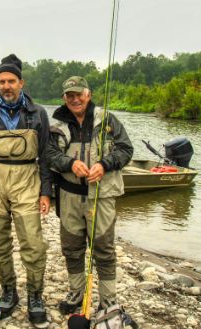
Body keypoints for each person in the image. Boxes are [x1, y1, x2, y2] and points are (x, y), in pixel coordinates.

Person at [0, 54, 60, 328]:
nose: (6, 86)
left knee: (32, 241)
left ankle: (35, 295)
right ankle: (9, 291)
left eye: (11, 81)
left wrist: (46, 191)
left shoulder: (38, 113)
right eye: (2, 81)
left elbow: (45, 154)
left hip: (26, 179)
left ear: (21, 82)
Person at [44, 76, 133, 313]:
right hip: (69, 197)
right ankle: (76, 293)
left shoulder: (108, 120)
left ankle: (108, 299)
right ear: (64, 98)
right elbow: (50, 154)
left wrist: (105, 164)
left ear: (88, 94)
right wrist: (69, 163)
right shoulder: (57, 125)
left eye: (78, 94)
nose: (75, 99)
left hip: (101, 197)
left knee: (104, 249)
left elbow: (126, 150)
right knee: (72, 249)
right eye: (69, 96)